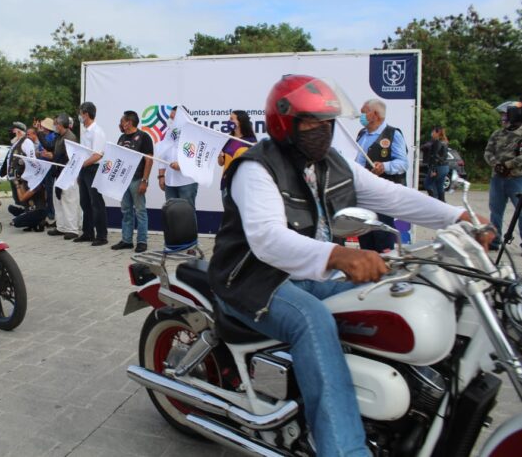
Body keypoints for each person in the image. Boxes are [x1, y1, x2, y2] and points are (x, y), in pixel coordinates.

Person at [207, 74, 493, 457]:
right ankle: (342, 448)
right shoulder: (257, 168)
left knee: (396, 295)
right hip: (254, 280)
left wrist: (457, 217)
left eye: (327, 123)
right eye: (311, 123)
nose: (322, 131)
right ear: (284, 123)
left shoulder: (332, 163)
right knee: (313, 321)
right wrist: (340, 256)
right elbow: (268, 240)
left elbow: (393, 196)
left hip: (315, 273)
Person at [354, 98, 408, 252]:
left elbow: (403, 163)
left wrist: (384, 166)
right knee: (365, 236)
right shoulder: (362, 134)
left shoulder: (393, 134)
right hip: (363, 194)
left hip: (381, 194)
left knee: (381, 236)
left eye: (364, 112)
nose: (361, 116)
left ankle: (384, 269)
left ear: (375, 114)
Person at [111, 110, 154, 253]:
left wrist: (145, 180)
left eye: (122, 121)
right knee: (126, 211)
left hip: (137, 180)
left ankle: (142, 241)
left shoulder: (144, 137)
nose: (120, 123)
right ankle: (126, 240)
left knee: (140, 211)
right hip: (123, 180)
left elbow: (149, 160)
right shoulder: (122, 137)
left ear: (129, 122)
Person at [485, 103, 522, 250]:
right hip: (497, 178)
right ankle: (494, 241)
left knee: (520, 212)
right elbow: (487, 152)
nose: (503, 118)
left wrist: (508, 165)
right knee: (495, 211)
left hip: (516, 178)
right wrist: (496, 165)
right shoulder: (497, 133)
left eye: (506, 116)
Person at [74, 101, 108, 246]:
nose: (79, 117)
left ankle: (101, 235)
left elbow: (98, 155)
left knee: (96, 203)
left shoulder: (97, 131)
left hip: (93, 169)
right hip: (84, 170)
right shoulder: (85, 131)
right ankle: (88, 233)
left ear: (86, 114)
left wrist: (82, 164)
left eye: (80, 114)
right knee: (85, 202)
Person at [47, 114, 81, 240]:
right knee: (58, 199)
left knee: (69, 201)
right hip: (60, 172)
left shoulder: (70, 137)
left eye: (55, 124)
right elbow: (53, 150)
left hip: (68, 173)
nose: (54, 126)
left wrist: (53, 158)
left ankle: (73, 229)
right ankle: (62, 227)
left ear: (60, 125)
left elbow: (67, 156)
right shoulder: (60, 136)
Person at [157, 106, 199, 208]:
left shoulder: (194, 132)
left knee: (187, 213)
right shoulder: (168, 133)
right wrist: (161, 176)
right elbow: (162, 155)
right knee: (171, 213)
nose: (170, 119)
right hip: (170, 182)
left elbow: (198, 156)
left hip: (187, 182)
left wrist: (182, 165)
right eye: (170, 117)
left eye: (173, 117)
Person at [217, 110, 258, 190]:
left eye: (232, 119)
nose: (229, 121)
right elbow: (221, 163)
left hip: (243, 184)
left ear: (240, 122)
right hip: (226, 183)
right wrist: (219, 155)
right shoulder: (228, 139)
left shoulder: (251, 141)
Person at [36, 117, 57, 227]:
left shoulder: (51, 137)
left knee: (49, 191)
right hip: (43, 167)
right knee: (45, 190)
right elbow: (41, 151)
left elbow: (48, 150)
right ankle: (47, 213)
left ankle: (51, 214)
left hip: (49, 167)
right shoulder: (46, 136)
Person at [423, 127, 449, 202]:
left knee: (428, 184)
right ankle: (442, 202)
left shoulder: (437, 142)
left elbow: (435, 156)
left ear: (437, 133)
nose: (432, 133)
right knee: (439, 186)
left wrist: (433, 169)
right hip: (445, 167)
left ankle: (435, 202)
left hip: (438, 166)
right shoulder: (445, 141)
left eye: (433, 132)